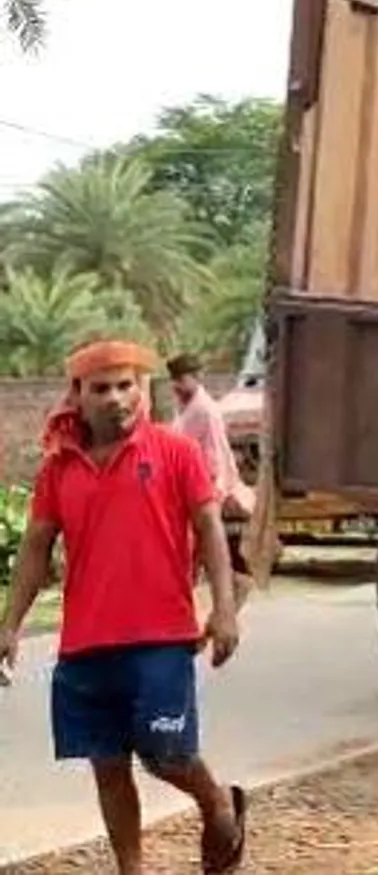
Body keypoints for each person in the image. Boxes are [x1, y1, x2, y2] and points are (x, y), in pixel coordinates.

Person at [0, 339, 247, 875]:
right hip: (86, 644)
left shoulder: (174, 452)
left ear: (143, 390)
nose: (116, 398)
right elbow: (36, 549)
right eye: (101, 388)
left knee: (167, 753)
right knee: (108, 767)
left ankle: (216, 801)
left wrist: (224, 608)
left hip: (161, 637)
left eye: (126, 385)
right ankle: (130, 870)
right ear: (79, 396)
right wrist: (10, 625)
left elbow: (209, 528)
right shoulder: (58, 471)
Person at [167, 352, 256, 611]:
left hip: (206, 491)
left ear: (194, 378)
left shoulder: (204, 411)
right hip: (188, 491)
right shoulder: (184, 408)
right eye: (174, 380)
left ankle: (226, 601)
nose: (176, 386)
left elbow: (216, 456)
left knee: (210, 552)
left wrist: (211, 497)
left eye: (181, 380)